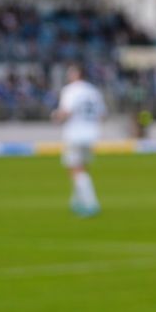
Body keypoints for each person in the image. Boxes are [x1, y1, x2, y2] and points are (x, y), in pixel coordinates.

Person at [52, 64, 106, 217]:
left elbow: (66, 112)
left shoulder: (71, 90)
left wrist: (55, 116)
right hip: (92, 133)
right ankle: (77, 200)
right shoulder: (93, 91)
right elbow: (102, 114)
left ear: (77, 74)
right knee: (83, 168)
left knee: (75, 169)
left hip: (75, 133)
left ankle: (90, 202)